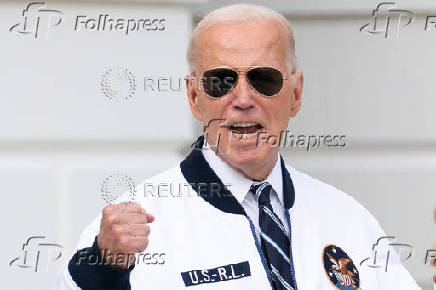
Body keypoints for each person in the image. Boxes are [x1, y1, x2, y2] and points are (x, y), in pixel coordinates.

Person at [56, 4, 421, 290]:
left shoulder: (348, 218)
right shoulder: (134, 231)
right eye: (221, 80)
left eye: (264, 79)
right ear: (194, 96)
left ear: (296, 94)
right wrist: (105, 267)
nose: (243, 98)